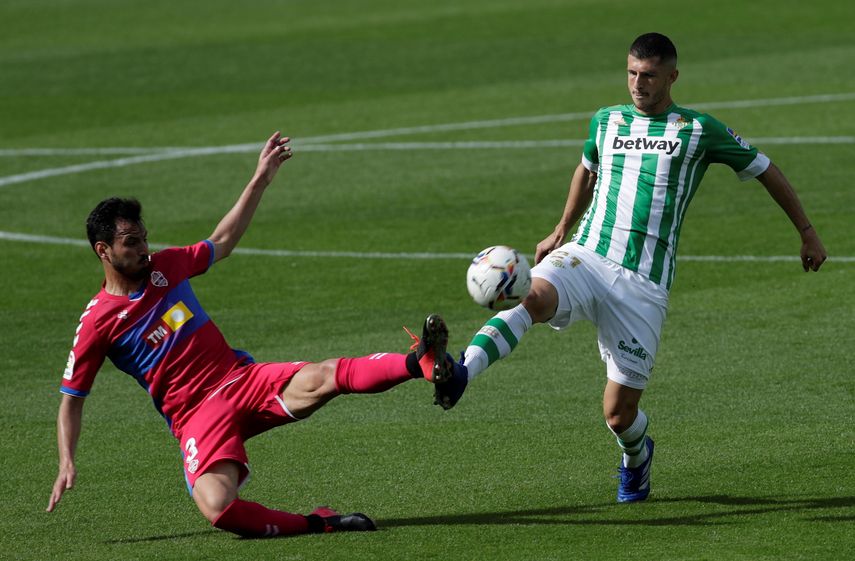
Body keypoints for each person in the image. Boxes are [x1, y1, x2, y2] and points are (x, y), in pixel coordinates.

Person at [434, 33, 828, 502]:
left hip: (643, 284)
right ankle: (462, 371)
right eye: (632, 73)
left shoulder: (698, 129)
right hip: (587, 254)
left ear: (672, 77)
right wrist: (561, 229)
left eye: (649, 75)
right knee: (531, 296)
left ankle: (637, 457)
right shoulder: (607, 120)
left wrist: (807, 231)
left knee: (618, 415)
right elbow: (587, 169)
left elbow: (764, 168)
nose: (638, 83)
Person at [46, 132, 458, 537]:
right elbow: (72, 399)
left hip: (241, 380)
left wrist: (260, 179)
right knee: (218, 508)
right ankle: (321, 523)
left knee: (324, 375)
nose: (144, 249)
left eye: (144, 239)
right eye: (132, 243)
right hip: (197, 417)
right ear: (103, 251)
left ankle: (420, 362)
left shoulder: (166, 266)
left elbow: (222, 241)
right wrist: (67, 461)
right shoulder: (98, 322)